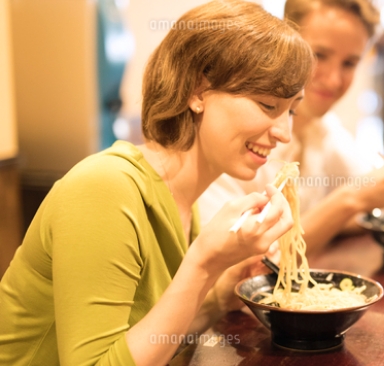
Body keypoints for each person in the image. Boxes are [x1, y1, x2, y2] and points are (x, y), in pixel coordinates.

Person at [0, 1, 314, 365]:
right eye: (267, 104)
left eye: (291, 109)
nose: (284, 133)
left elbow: (155, 339)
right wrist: (205, 265)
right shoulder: (104, 189)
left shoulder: (185, 202)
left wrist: (220, 292)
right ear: (198, 91)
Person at [199, 0, 384, 259]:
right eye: (319, 55)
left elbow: (374, 193)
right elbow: (239, 268)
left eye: (349, 63)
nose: (333, 79)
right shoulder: (242, 137)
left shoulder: (323, 129)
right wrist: (349, 201)